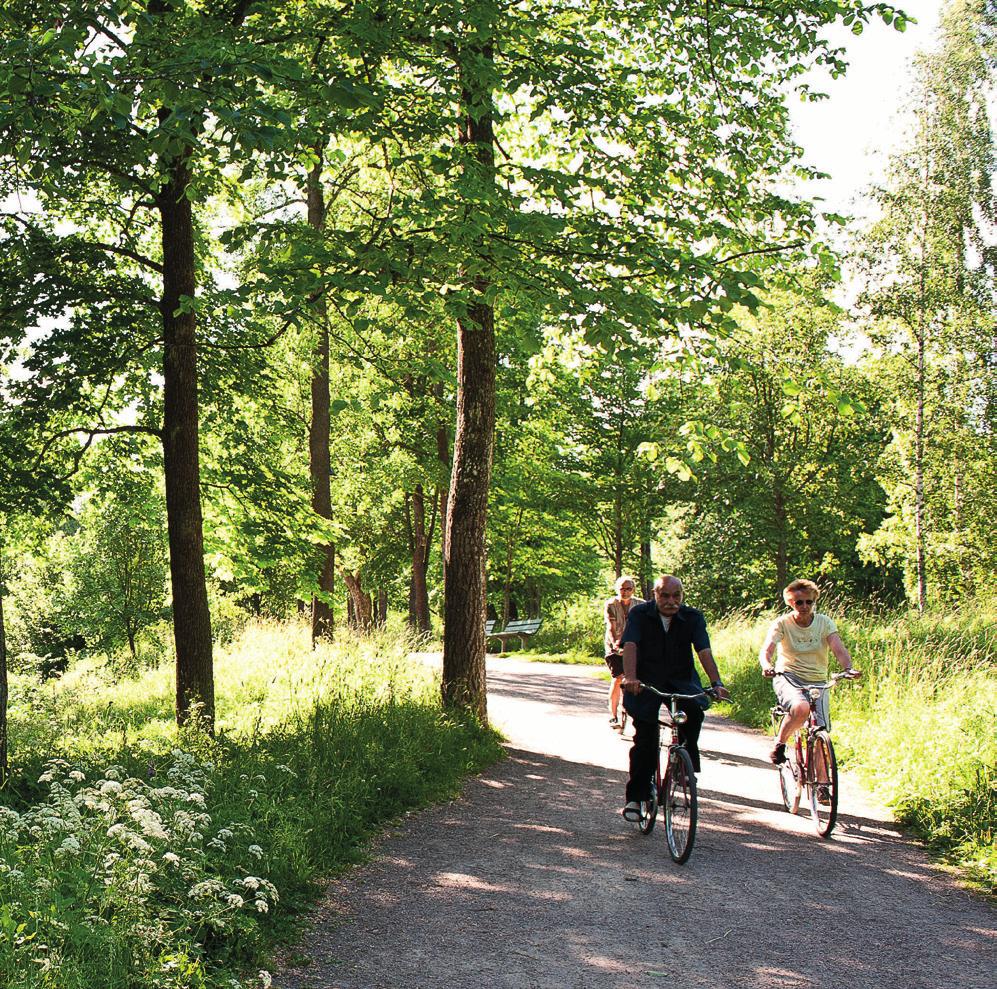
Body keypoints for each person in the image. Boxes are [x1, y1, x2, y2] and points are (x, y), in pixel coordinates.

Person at [619, 575, 730, 821]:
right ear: (655, 595)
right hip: (645, 682)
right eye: (665, 596)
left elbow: (704, 650)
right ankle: (636, 798)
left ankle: (684, 767)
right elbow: (630, 645)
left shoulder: (693, 617)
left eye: (676, 596)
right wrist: (631, 678)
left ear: (682, 595)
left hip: (681, 679)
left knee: (694, 713)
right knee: (645, 739)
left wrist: (716, 683)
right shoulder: (640, 615)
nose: (671, 601)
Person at [759, 579, 861, 787]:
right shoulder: (782, 624)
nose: (804, 606)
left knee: (820, 732)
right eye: (799, 603)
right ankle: (779, 744)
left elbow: (838, 648)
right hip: (788, 676)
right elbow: (767, 650)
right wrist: (767, 665)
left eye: (808, 602)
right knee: (801, 707)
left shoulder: (824, 622)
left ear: (814, 602)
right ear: (790, 603)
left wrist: (848, 668)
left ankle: (822, 785)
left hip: (818, 681)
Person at [604, 575, 643, 730]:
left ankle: (637, 713)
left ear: (633, 590)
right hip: (615, 645)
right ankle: (613, 716)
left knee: (637, 679)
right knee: (618, 678)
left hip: (634, 646)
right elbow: (611, 627)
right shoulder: (611, 604)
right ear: (617, 589)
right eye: (622, 588)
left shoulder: (641, 605)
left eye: (628, 589)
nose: (625, 592)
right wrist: (615, 644)